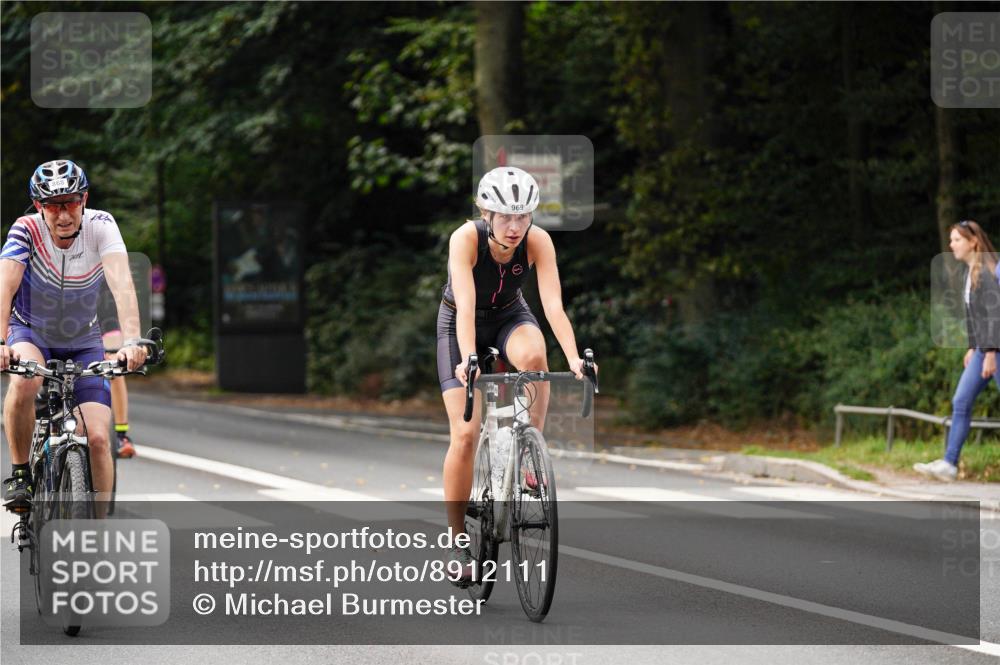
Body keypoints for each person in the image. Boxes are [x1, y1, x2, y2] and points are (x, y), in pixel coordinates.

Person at [437, 166, 595, 586]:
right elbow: (466, 307)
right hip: (460, 325)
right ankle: (457, 542)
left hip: (509, 316)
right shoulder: (465, 238)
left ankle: (528, 447)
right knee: (466, 434)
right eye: (505, 217)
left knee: (536, 356)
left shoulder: (538, 242)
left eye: (523, 216)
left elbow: (553, 306)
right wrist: (468, 358)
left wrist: (575, 359)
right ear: (485, 213)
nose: (514, 226)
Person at [1, 159, 148, 513]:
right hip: (30, 331)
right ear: (39, 206)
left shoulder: (102, 225)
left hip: (83, 339)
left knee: (98, 438)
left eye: (70, 202)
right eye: (52, 205)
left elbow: (122, 283)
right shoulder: (25, 230)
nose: (63, 214)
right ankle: (21, 473)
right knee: (25, 383)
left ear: (83, 199)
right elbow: (5, 285)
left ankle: (95, 539)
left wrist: (132, 341)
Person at [915, 220, 1000, 481]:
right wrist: (973, 346)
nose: (951, 245)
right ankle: (950, 464)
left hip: (995, 348)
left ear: (973, 242)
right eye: (951, 240)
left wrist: (989, 352)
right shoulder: (969, 272)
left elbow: (994, 314)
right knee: (961, 401)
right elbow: (975, 316)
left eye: (956, 240)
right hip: (982, 348)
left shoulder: (986, 271)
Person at [97, 280, 136, 458]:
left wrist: (119, 348)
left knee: (115, 369)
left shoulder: (108, 263)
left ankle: (121, 436)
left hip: (105, 320)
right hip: (67, 323)